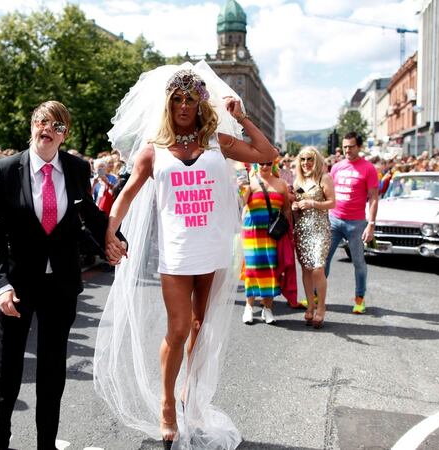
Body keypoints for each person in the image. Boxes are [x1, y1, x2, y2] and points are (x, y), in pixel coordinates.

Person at [94, 62, 276, 449]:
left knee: (198, 327)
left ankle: (189, 394)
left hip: (212, 248)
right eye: (176, 99)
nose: (183, 106)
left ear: (200, 103)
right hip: (176, 252)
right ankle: (167, 406)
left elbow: (266, 153)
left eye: (190, 99)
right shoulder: (154, 150)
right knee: (177, 330)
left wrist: (242, 118)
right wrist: (110, 228)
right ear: (168, 104)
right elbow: (126, 194)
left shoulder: (216, 142)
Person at [0, 101, 123, 450]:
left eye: (57, 126)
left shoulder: (76, 168)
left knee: (52, 366)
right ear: (32, 125)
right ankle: (0, 437)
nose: (48, 129)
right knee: (9, 366)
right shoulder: (5, 169)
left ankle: (46, 442)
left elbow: (87, 214)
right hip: (17, 284)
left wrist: (115, 240)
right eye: (42, 122)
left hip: (60, 283)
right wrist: (1, 284)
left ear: (65, 134)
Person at [325, 132, 379, 314]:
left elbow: (373, 198)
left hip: (356, 223)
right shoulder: (337, 167)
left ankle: (359, 298)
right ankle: (316, 295)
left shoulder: (368, 168)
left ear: (359, 147)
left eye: (351, 146)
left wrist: (371, 223)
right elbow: (328, 193)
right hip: (334, 220)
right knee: (323, 260)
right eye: (345, 146)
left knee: (358, 262)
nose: (347, 150)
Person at [239, 161, 290, 324]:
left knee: (271, 269)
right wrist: (242, 188)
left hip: (273, 233)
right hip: (253, 230)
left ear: (274, 164)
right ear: (256, 164)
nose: (265, 166)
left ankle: (267, 309)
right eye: (261, 163)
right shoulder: (250, 182)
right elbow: (242, 203)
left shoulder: (281, 184)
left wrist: (287, 231)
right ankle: (249, 307)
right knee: (252, 269)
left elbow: (286, 208)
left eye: (268, 163)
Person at [292, 146, 335, 328]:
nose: (306, 163)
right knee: (306, 269)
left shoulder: (324, 178)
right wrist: (295, 206)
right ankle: (310, 306)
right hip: (302, 230)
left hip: (320, 230)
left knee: (318, 267)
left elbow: (332, 203)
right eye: (302, 159)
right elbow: (296, 204)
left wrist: (313, 203)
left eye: (309, 159)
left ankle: (321, 308)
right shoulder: (297, 182)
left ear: (316, 160)